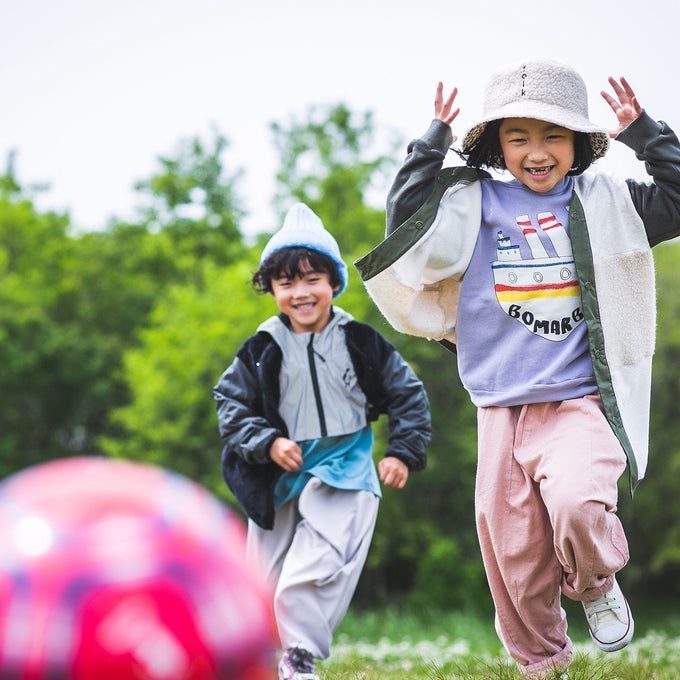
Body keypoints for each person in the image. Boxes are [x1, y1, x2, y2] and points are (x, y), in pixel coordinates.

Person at [355, 58, 680, 679]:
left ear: (580, 145)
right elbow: (405, 235)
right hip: (500, 405)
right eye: (519, 136)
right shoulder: (469, 205)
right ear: (497, 145)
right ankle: (543, 664)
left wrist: (645, 133)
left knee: (581, 504)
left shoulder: (610, 202)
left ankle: (594, 583)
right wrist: (428, 149)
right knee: (515, 556)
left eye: (554, 135)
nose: (537, 151)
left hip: (580, 401)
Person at [213, 202, 431, 680]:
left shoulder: (360, 341)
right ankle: (258, 660)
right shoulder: (261, 348)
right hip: (277, 472)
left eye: (312, 279)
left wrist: (401, 451)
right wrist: (267, 442)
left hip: (342, 465)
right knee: (261, 582)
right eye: (287, 282)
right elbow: (230, 405)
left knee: (311, 568)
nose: (301, 292)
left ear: (333, 283)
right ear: (271, 290)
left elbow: (407, 393)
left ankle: (300, 656)